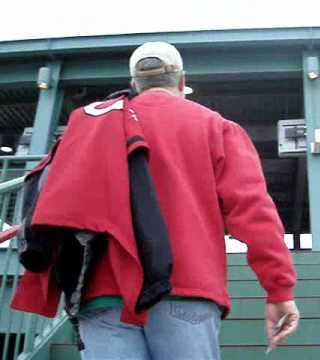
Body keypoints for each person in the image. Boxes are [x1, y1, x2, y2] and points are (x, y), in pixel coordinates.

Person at [13, 41, 299, 360]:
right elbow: (253, 211)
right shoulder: (217, 128)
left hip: (102, 293)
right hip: (185, 288)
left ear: (134, 84)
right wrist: (278, 288)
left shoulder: (91, 126)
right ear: (182, 81)